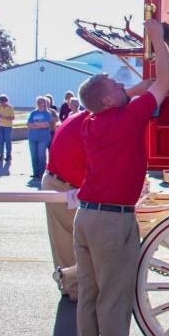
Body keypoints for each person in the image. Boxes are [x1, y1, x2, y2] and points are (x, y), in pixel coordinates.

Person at [73, 20, 169, 336]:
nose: (122, 85)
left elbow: (135, 90)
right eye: (116, 85)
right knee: (114, 296)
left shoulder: (91, 120)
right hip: (112, 221)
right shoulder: (127, 118)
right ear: (108, 100)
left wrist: (130, 90)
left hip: (86, 217)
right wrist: (158, 41)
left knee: (89, 295)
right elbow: (164, 81)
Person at [44, 81, 153, 302]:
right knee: (68, 243)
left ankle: (82, 291)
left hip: (73, 182)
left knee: (79, 243)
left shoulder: (98, 114)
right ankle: (75, 291)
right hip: (65, 184)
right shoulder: (100, 119)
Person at [26, 96, 55, 179]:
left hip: (43, 138)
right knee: (34, 155)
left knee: (41, 155)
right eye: (39, 101)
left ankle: (42, 173)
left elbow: (46, 125)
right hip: (32, 137)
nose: (41, 103)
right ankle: (35, 172)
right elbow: (28, 124)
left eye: (42, 101)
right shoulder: (33, 113)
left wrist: (35, 124)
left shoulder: (47, 113)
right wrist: (39, 125)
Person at [0, 94, 15, 164]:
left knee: (8, 141)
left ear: (6, 101)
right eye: (1, 101)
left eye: (3, 101)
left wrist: (3, 117)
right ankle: (1, 155)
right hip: (0, 126)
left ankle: (8, 155)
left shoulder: (10, 107)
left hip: (8, 126)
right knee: (0, 141)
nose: (2, 103)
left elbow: (12, 118)